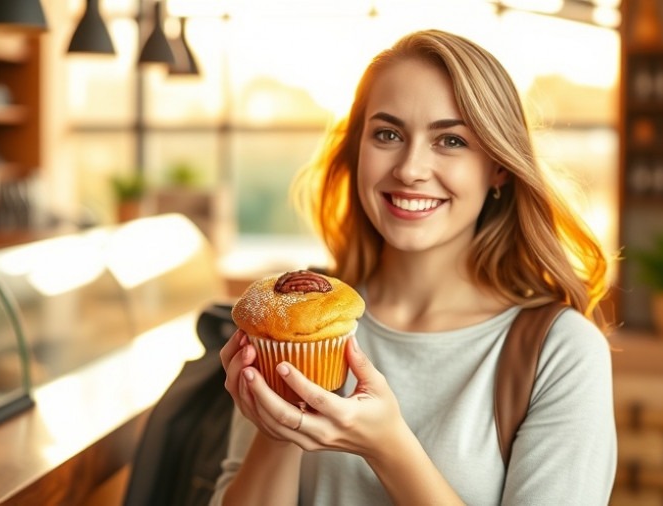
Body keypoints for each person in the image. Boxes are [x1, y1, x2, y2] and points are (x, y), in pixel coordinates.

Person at [212, 29, 617, 505]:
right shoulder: (293, 325)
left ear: (499, 168)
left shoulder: (562, 352)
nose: (409, 169)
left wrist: (388, 448)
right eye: (387, 134)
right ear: (357, 150)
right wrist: (280, 427)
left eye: (450, 140)